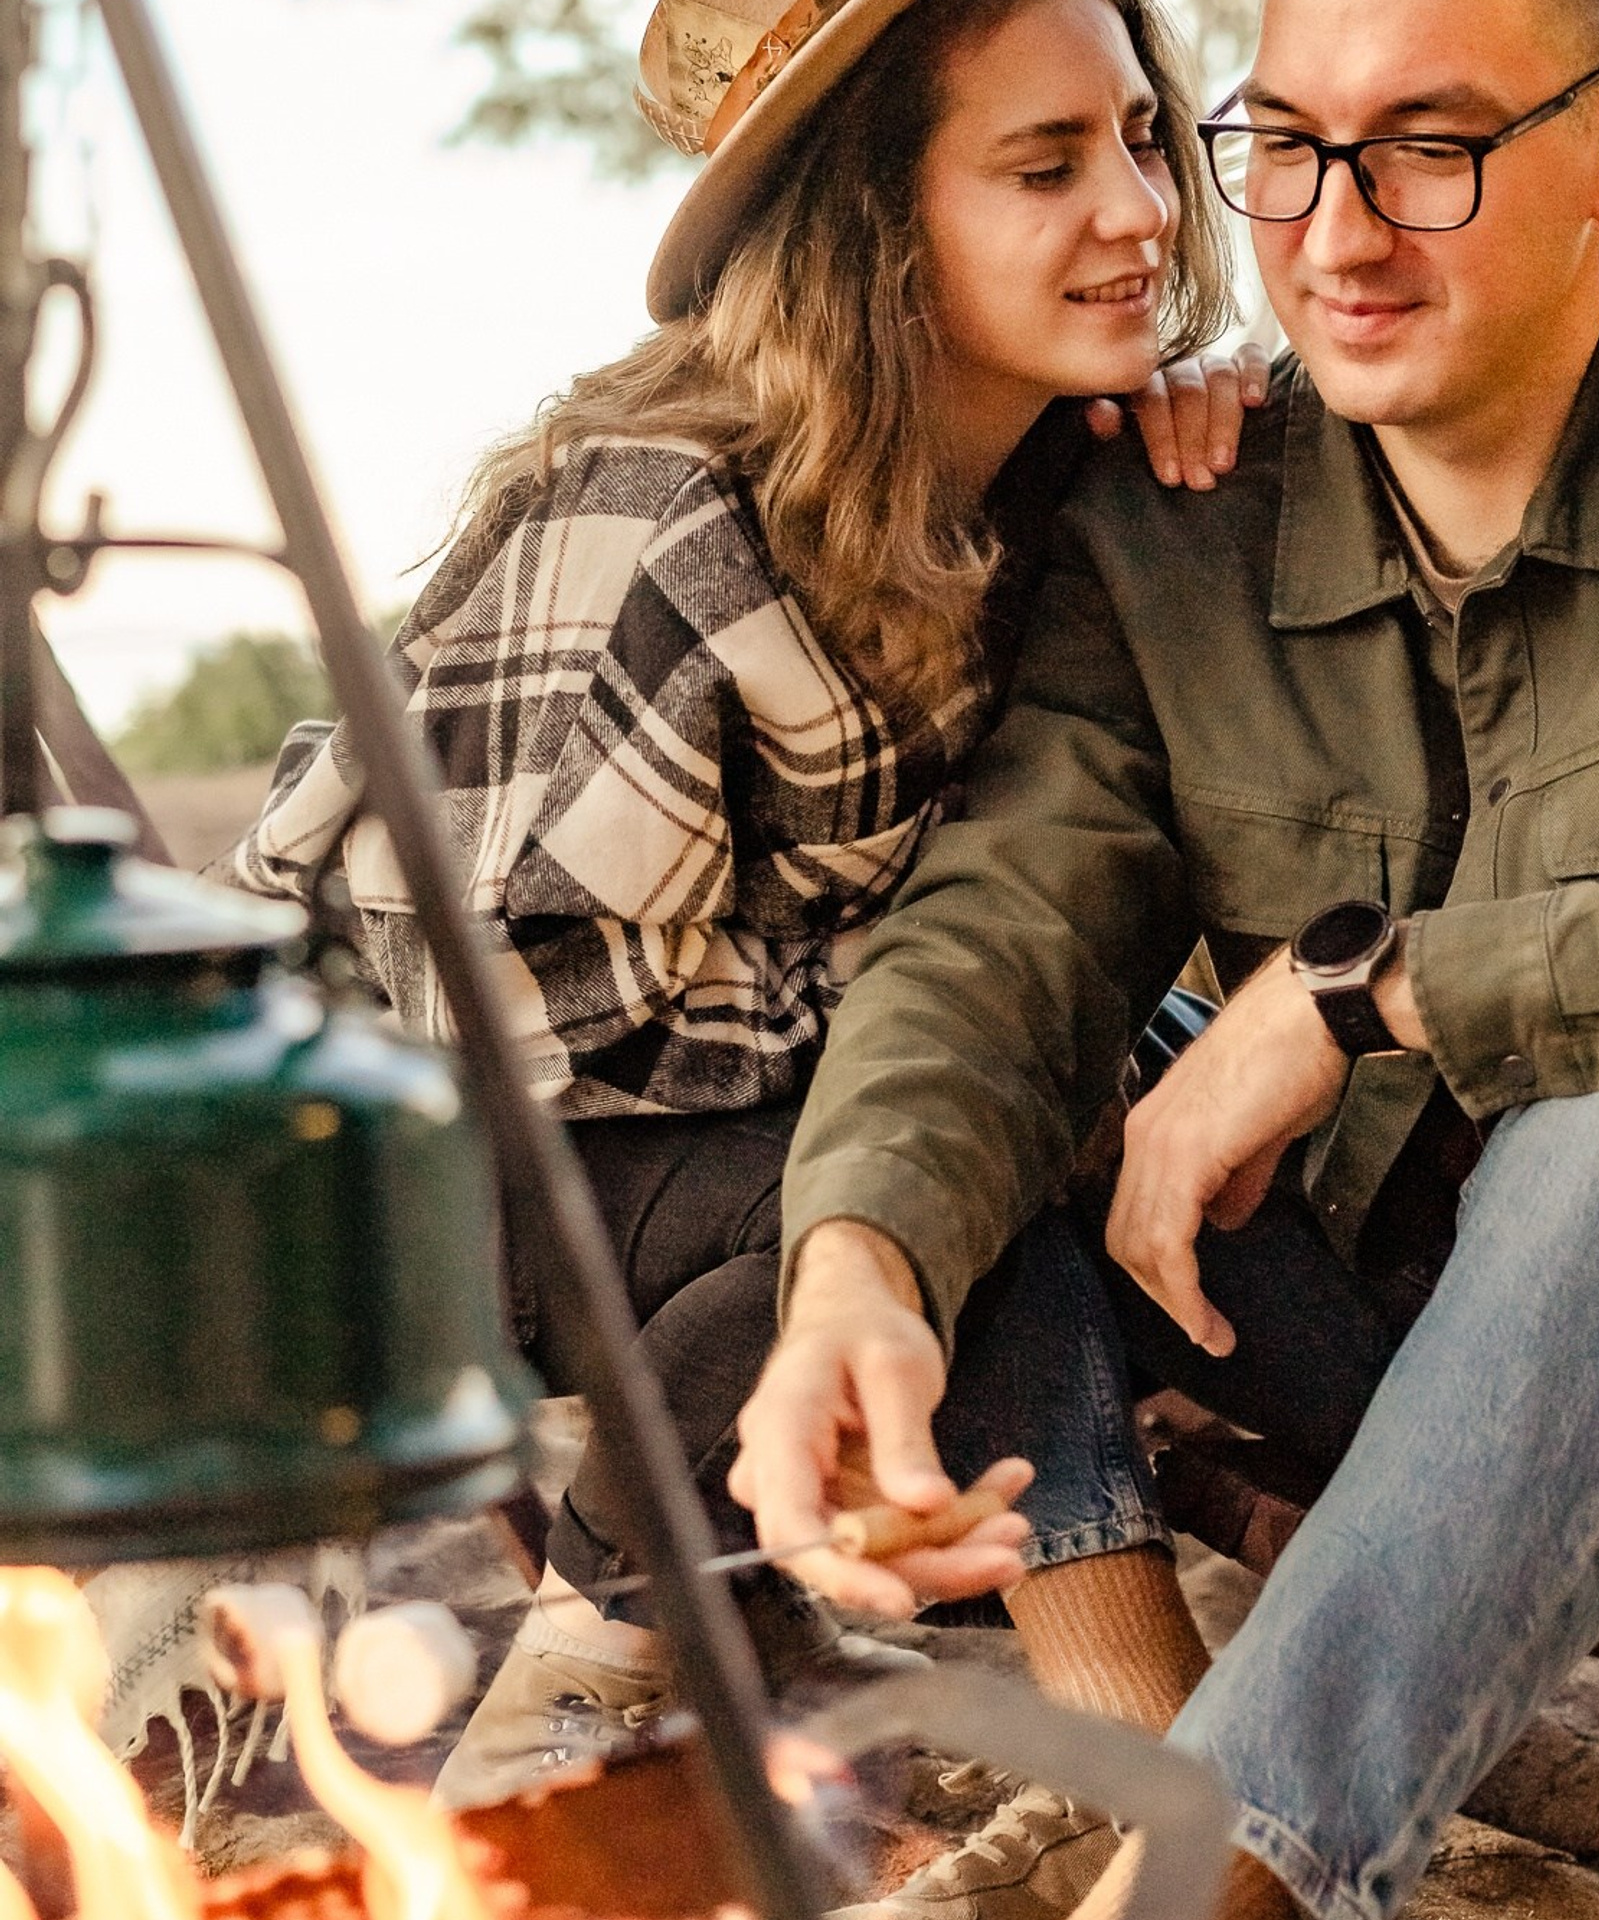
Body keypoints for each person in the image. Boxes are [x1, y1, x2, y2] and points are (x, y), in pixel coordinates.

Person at [727, 0, 1599, 1913]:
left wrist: (1368, 993)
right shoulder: (1182, 509)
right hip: (1394, 1345)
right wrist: (856, 1268)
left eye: (1427, 150)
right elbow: (1008, 936)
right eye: (1282, 146)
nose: (1336, 238)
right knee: (966, 1076)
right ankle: (1123, 1724)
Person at [216, 0, 1264, 1846]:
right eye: (1046, 167)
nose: (1143, 209)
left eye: (1143, 138)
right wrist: (946, 1059)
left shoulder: (1053, 483)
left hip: (696, 1138)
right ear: (878, 236)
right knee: (937, 1179)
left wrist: (1225, 439)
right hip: (387, 1155)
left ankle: (655, 1623)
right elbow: (488, 1000)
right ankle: (652, 1659)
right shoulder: (673, 511)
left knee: (1051, 1142)